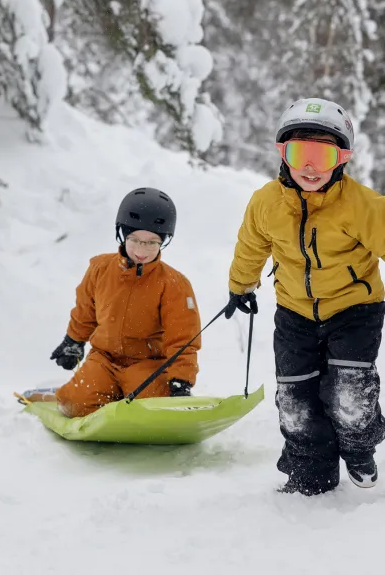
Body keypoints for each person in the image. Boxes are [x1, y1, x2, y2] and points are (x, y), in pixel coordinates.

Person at [225, 97, 385, 495]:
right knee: (295, 401)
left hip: (355, 308)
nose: (310, 167)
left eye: (323, 154)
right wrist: (240, 285)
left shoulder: (361, 205)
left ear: (341, 158)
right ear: (283, 154)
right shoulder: (265, 203)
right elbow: (250, 247)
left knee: (349, 395)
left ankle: (358, 445)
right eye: (300, 153)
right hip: (294, 312)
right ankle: (311, 474)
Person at [25, 187, 201, 418]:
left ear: (163, 242)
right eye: (134, 239)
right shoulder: (100, 269)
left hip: (148, 364)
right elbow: (85, 310)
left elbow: (183, 338)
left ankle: (124, 396)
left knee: (153, 409)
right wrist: (74, 340)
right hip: (104, 360)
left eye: (152, 242)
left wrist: (180, 381)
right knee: (75, 404)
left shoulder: (174, 284)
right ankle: (87, 392)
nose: (141, 250)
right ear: (122, 234)